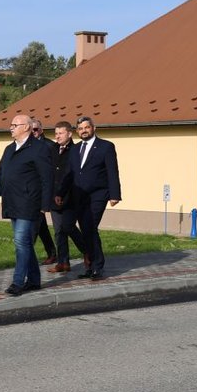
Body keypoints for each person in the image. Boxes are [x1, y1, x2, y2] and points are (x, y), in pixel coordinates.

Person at [0, 116, 53, 296]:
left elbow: (47, 178)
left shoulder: (39, 148)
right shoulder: (10, 149)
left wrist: (45, 204)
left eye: (15, 125)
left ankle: (18, 281)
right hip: (12, 202)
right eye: (11, 125)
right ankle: (34, 280)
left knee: (20, 242)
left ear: (26, 127)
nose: (11, 128)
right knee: (25, 243)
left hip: (29, 202)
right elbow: (0, 174)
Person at [70, 115, 121, 280]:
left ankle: (97, 266)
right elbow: (70, 173)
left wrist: (115, 195)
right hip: (79, 195)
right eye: (80, 129)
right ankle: (90, 266)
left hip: (98, 194)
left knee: (90, 227)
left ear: (93, 128)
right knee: (86, 229)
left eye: (86, 127)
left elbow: (112, 171)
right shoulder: (74, 149)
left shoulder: (106, 147)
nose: (83, 131)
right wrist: (60, 193)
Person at [47, 120, 86, 274]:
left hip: (70, 196)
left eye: (61, 133)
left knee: (68, 227)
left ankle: (87, 251)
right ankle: (63, 262)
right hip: (54, 196)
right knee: (58, 231)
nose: (57, 136)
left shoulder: (76, 150)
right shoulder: (52, 149)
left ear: (69, 134)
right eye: (56, 133)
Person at [29, 119, 57, 263]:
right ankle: (52, 253)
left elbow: (53, 170)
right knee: (41, 226)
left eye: (35, 129)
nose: (33, 132)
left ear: (41, 130)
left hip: (46, 192)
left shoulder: (49, 146)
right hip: (32, 192)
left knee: (35, 226)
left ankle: (26, 257)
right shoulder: (27, 146)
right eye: (31, 130)